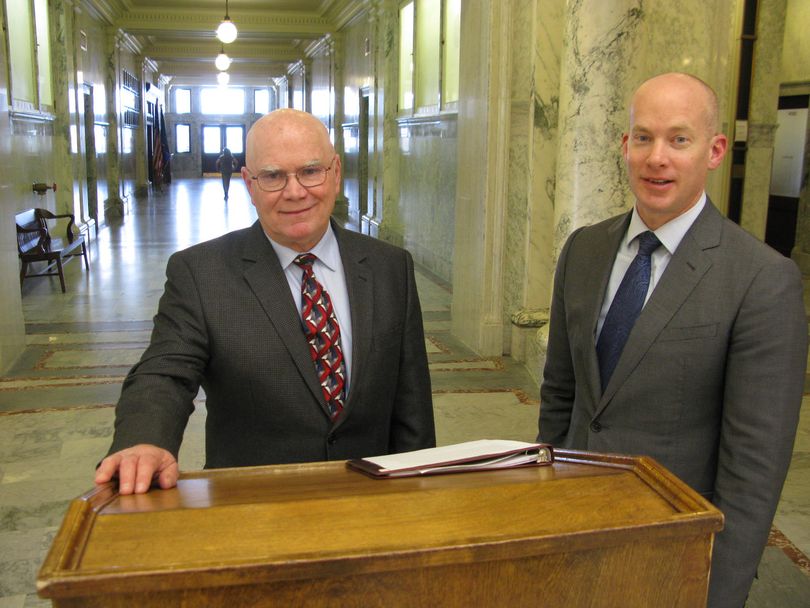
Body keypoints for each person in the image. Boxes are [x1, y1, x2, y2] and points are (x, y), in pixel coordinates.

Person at [538, 72, 807, 608]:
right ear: (625, 145)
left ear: (714, 151)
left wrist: (717, 586)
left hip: (674, 556)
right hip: (571, 538)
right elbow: (561, 396)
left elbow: (754, 464)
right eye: (643, 137)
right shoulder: (584, 251)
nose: (656, 157)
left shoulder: (759, 278)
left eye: (678, 139)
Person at [96, 108, 435, 495]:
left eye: (310, 171)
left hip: (373, 503)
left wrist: (418, 499)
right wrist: (144, 439)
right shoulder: (200, 272)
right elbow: (164, 371)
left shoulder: (390, 267)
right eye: (273, 176)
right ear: (248, 183)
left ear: (335, 172)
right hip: (253, 508)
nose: (295, 191)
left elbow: (412, 408)